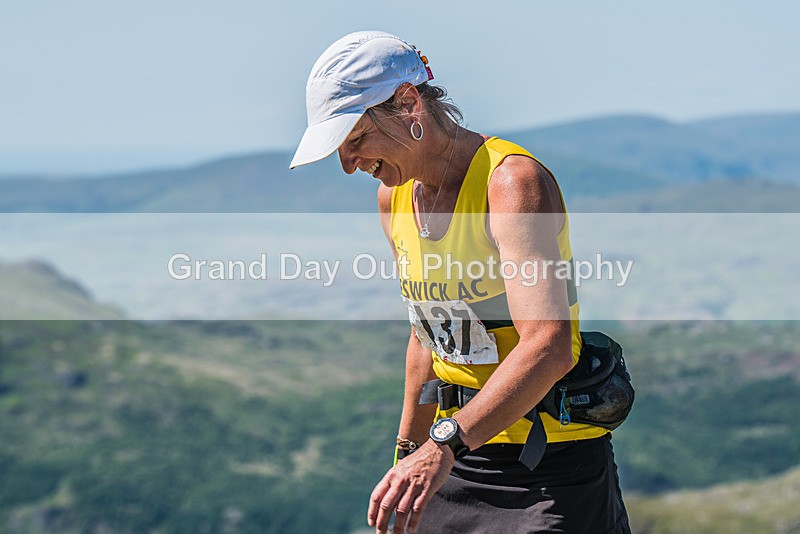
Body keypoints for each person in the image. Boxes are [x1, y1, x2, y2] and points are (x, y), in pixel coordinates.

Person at [290, 31, 630, 534]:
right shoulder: (394, 199)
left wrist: (440, 447)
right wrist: (406, 456)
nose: (348, 165)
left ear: (408, 105)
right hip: (457, 458)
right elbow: (424, 336)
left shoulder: (511, 184)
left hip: (549, 471)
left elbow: (549, 344)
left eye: (356, 140)